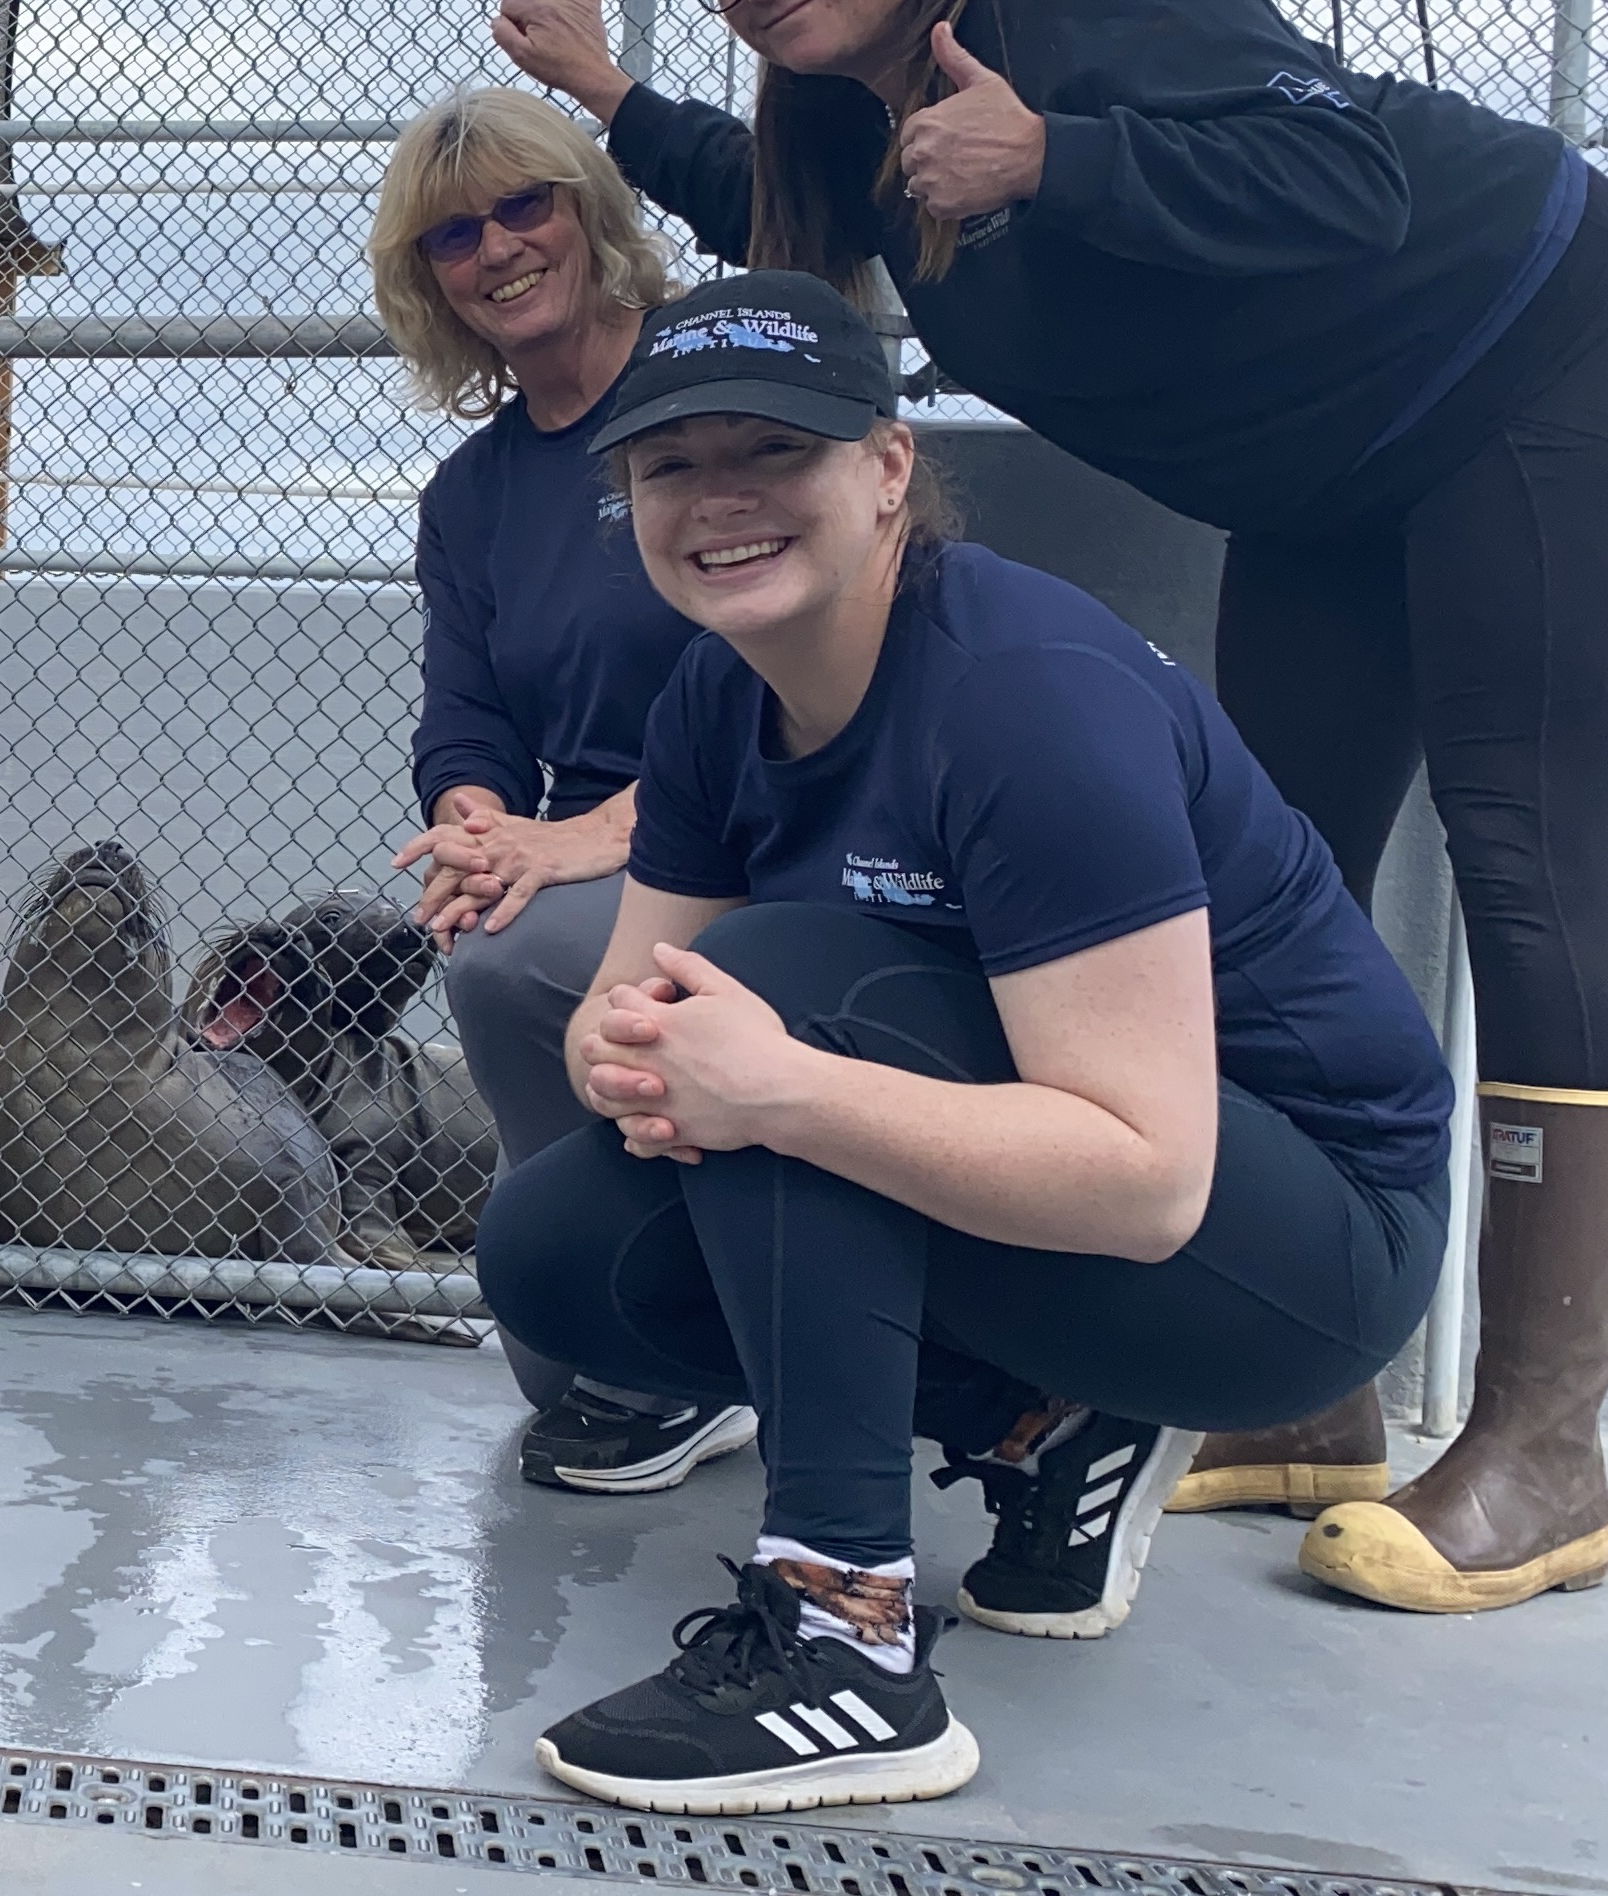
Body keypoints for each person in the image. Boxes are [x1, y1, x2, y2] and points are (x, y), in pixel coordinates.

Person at [493, 0, 1608, 1616]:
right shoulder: (853, 122)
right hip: (1322, 474)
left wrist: (1060, 155)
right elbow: (784, 208)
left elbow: (1346, 174)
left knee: (1525, 858)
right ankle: (1298, 1391)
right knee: (1247, 894)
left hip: (1532, 352)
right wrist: (610, 100)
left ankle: (1545, 1439)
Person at [479, 273, 1449, 1814]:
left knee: (780, 988)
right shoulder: (713, 701)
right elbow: (637, 989)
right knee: (553, 1250)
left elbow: (1147, 1183)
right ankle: (1047, 1428)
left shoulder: (1022, 699)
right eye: (670, 467)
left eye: (772, 452)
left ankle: (847, 1638)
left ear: (884, 470)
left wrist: (780, 1085)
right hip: (1055, 1182)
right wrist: (628, 1056)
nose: (718, 501)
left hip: (1299, 1237)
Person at [370, 86, 747, 1499]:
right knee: (494, 926)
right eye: (455, 233)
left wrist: (587, 836)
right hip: (591, 841)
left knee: (528, 962)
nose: (498, 247)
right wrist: (476, 824)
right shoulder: (471, 495)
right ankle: (616, 1301)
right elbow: (465, 712)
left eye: (526, 206)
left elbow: (782, 678)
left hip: (777, 819)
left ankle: (682, 1344)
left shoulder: (708, 399)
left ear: (591, 215)